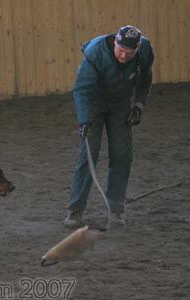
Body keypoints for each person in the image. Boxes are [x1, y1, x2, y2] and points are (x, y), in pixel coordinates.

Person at [64, 25, 154, 228]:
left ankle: (115, 209)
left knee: (122, 155)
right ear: (115, 42)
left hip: (120, 102)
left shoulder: (145, 51)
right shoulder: (95, 53)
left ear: (137, 49)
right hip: (93, 102)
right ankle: (75, 210)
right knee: (88, 154)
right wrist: (84, 120)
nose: (123, 56)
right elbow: (82, 90)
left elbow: (146, 78)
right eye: (120, 50)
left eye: (129, 53)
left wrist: (139, 104)